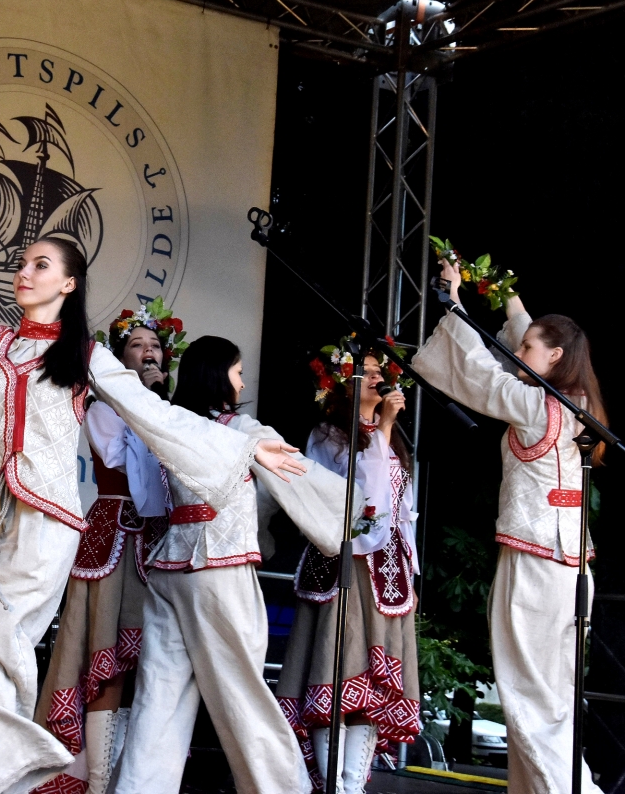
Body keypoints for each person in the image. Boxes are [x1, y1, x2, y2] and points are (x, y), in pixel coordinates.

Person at [0, 170, 307, 794]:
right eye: (22, 263)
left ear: (69, 283)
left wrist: (246, 444)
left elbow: (156, 416)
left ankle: (37, 763)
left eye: (41, 264)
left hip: (44, 522)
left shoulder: (84, 355)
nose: (24, 272)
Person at [111, 336, 356, 794]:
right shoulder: (242, 429)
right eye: (238, 372)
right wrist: (354, 510)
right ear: (218, 374)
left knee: (158, 700)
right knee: (243, 694)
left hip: (169, 569)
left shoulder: (175, 423)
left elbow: (148, 496)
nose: (242, 383)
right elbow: (297, 480)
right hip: (219, 570)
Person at [413, 260, 607, 794]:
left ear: (556, 357)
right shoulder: (577, 403)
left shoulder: (536, 406)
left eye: (528, 349)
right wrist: (507, 297)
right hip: (569, 568)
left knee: (529, 696)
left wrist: (455, 303)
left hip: (536, 563)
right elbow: (530, 342)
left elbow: (480, 375)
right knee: (550, 697)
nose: (518, 353)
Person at [32, 301, 183, 794]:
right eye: (137, 345)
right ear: (119, 358)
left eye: (155, 345)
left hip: (156, 541)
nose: (148, 352)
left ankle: (128, 778)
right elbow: (125, 465)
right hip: (115, 535)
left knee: (150, 667)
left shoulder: (169, 412)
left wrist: (160, 405)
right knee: (109, 659)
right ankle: (96, 782)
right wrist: (146, 403)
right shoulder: (102, 409)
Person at [275, 341, 420, 793]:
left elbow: (403, 512)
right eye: (366, 371)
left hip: (386, 573)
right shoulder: (328, 436)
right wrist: (384, 428)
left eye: (380, 371)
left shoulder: (395, 440)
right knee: (333, 674)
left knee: (370, 690)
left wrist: (410, 569)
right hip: (344, 566)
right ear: (342, 382)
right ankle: (333, 785)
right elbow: (358, 500)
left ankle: (352, 786)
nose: (377, 378)